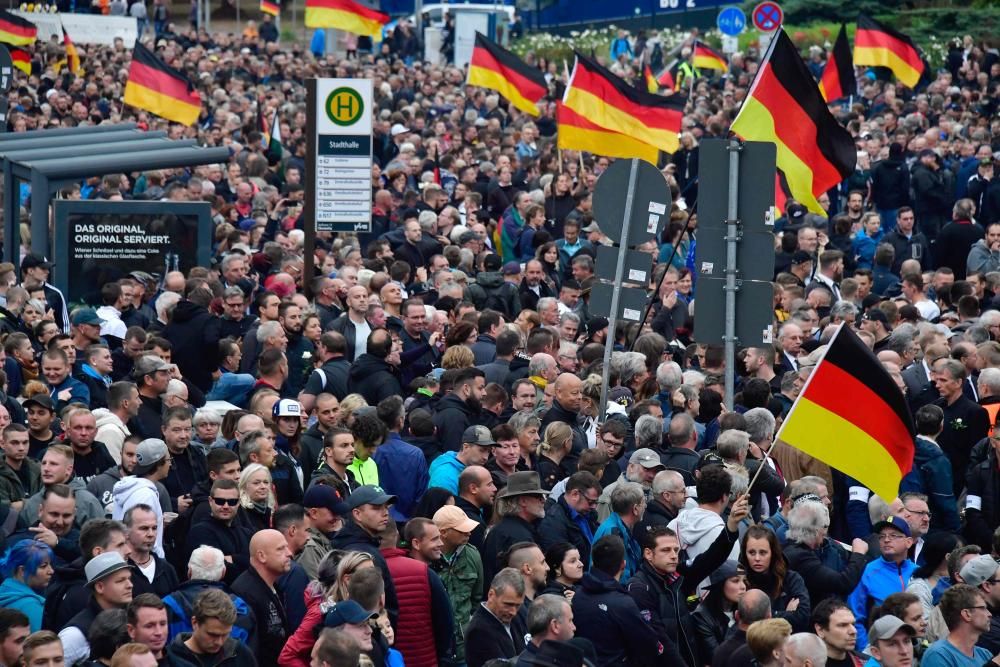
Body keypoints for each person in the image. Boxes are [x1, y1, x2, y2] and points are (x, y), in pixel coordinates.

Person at [573, 534, 666, 666]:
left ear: (593, 562)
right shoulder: (622, 603)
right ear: (623, 564)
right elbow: (648, 644)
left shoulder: (578, 595)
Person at [848, 516, 917, 650]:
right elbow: (855, 616)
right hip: (881, 648)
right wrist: (866, 650)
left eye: (893, 535)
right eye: (882, 536)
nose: (886, 540)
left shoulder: (919, 571)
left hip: (917, 648)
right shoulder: (867, 571)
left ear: (909, 542)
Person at [58, 552, 134, 665]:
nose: (130, 585)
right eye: (120, 580)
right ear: (100, 587)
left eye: (129, 579)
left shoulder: (132, 618)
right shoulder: (75, 634)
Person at [231, 529, 291, 667]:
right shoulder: (245, 593)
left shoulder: (274, 586)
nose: (289, 553)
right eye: (281, 549)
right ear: (262, 556)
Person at [741, 525, 812, 632]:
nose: (757, 558)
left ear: (773, 553)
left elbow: (802, 618)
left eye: (763, 552)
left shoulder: (791, 579)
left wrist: (762, 615)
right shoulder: (741, 581)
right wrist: (785, 614)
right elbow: (741, 618)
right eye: (751, 552)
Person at [164, 587, 258, 666]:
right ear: (195, 623)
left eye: (225, 634)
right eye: (213, 635)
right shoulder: (171, 659)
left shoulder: (240, 654)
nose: (219, 642)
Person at [464, 568, 527, 667]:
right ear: (491, 595)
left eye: (518, 605)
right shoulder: (478, 631)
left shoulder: (515, 617)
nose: (513, 612)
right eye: (508, 604)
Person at [921, 584, 994, 666]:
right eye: (983, 608)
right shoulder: (938, 655)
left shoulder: (985, 655)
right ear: (967, 614)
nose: (989, 614)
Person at [691, 561, 746, 661]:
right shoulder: (701, 617)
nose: (743, 586)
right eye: (736, 581)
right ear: (720, 584)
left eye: (744, 581)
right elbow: (719, 658)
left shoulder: (746, 608)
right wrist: (740, 624)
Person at [0, 540, 54, 631]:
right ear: (23, 571)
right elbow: (39, 643)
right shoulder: (31, 606)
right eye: (43, 566)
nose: (51, 571)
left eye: (50, 564)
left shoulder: (4, 589)